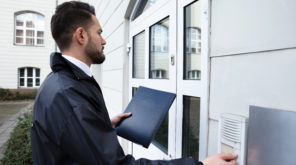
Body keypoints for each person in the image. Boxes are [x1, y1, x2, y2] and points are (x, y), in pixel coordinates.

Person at [31, 1, 237, 165]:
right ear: (81, 35)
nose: (104, 40)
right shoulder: (68, 93)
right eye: (99, 33)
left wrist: (102, 125)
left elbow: (71, 137)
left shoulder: (61, 81)